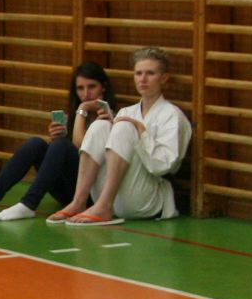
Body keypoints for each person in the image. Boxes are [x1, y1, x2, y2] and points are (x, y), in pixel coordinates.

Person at [53, 46, 192, 226]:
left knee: (125, 126)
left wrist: (141, 132)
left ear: (163, 78)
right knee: (100, 125)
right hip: (116, 197)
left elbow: (163, 167)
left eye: (150, 73)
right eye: (138, 73)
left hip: (145, 200)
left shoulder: (173, 115)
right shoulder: (127, 111)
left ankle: (104, 206)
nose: (143, 79)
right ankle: (79, 201)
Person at [0, 62, 116, 221]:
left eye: (92, 86)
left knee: (61, 145)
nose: (86, 93)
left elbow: (80, 146)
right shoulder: (76, 116)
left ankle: (29, 203)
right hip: (68, 190)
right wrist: (57, 138)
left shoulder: (109, 117)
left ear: (103, 87)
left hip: (91, 194)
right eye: (80, 88)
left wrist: (82, 109)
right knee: (36, 144)